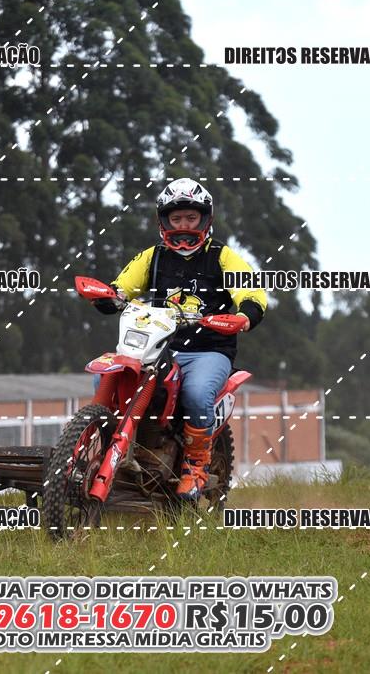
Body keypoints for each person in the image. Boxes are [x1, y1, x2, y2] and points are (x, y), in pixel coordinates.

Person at [91, 178, 268, 500]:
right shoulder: (153, 257)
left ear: (205, 219)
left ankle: (195, 464)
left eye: (190, 217)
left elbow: (251, 291)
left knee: (197, 394)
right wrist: (109, 297)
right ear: (164, 221)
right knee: (107, 377)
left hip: (209, 350)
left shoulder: (222, 256)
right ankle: (104, 449)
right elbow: (123, 287)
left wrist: (245, 315)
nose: (183, 225)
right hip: (158, 347)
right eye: (176, 218)